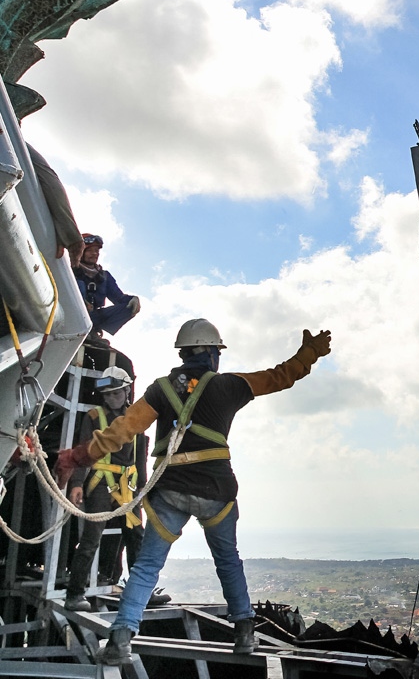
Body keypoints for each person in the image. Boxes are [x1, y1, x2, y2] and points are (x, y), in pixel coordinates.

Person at [56, 319, 332, 666]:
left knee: (146, 568)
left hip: (170, 490)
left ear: (183, 354)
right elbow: (280, 376)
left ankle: (121, 638)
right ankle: (244, 633)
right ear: (213, 354)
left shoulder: (159, 390)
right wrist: (309, 354)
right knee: (228, 560)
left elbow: (121, 431)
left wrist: (77, 457)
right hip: (216, 489)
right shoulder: (228, 386)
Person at [65, 367, 142, 612]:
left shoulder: (135, 417)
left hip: (128, 485)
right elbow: (83, 451)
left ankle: (141, 593)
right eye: (107, 394)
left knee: (136, 537)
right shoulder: (95, 416)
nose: (111, 398)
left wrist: (143, 487)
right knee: (91, 539)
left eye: (116, 393)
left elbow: (139, 454)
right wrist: (77, 483)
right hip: (101, 480)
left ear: (127, 389)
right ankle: (74, 594)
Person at [73, 234, 140, 340]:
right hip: (72, 314)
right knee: (79, 284)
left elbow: (118, 297)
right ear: (81, 252)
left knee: (130, 305)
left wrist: (132, 299)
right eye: (90, 250)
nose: (95, 254)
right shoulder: (70, 270)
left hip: (93, 316)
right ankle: (78, 328)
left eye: (97, 251)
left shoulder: (104, 276)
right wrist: (80, 302)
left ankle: (92, 331)